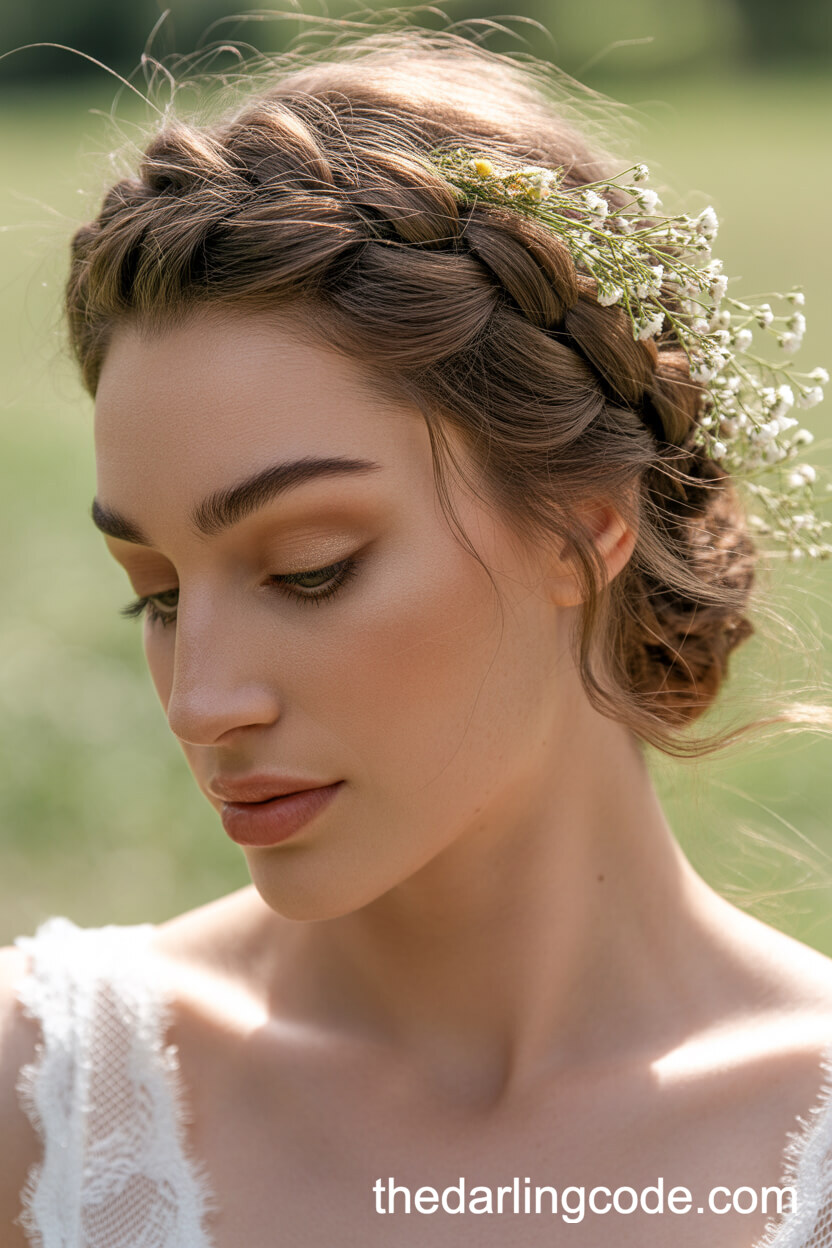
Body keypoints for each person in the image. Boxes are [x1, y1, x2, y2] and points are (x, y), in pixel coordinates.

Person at [1, 26, 831, 1248]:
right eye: (159, 594)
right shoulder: (46, 1108)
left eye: (308, 569)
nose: (198, 702)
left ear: (578, 530)